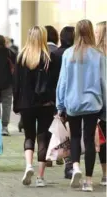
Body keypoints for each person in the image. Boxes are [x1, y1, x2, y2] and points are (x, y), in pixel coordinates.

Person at [56, 19, 106, 192]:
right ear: (91, 32)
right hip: (93, 103)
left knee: (75, 137)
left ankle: (76, 166)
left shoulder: (68, 54)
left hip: (73, 102)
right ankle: (89, 181)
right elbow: (103, 82)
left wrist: (60, 105)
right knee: (90, 140)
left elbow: (62, 82)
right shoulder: (99, 55)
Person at [13, 26, 58, 187]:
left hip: (26, 104)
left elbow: (16, 84)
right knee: (43, 138)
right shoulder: (49, 58)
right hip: (45, 104)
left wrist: (16, 104)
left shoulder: (21, 57)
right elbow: (54, 84)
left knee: (29, 136)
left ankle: (28, 165)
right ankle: (40, 177)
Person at [51, 26, 75, 178]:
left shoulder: (54, 54)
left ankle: (66, 161)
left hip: (58, 98)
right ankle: (71, 164)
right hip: (73, 98)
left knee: (63, 133)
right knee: (74, 133)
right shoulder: (75, 54)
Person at [45, 25, 63, 167]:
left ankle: (47, 154)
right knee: (59, 124)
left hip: (44, 96)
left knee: (45, 126)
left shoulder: (41, 52)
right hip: (59, 94)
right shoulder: (59, 53)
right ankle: (58, 153)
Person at [95, 21, 106, 186]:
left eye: (97, 32)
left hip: (99, 102)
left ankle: (105, 174)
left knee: (103, 139)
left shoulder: (95, 55)